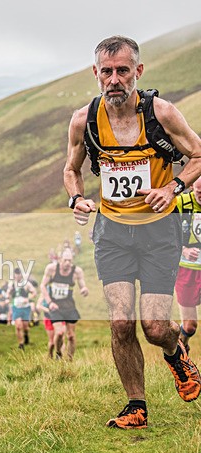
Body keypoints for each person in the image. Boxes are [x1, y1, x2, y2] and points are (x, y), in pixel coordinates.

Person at [63, 36, 201, 429]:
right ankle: (135, 406)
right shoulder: (84, 119)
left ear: (138, 72)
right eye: (106, 71)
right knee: (120, 322)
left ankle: (176, 353)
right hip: (113, 234)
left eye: (123, 70)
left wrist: (172, 188)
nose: (114, 79)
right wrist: (77, 200)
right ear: (96, 74)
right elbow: (71, 169)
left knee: (155, 327)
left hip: (159, 232)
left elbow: (198, 154)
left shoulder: (161, 113)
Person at [40, 249, 89, 361]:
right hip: (55, 306)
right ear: (60, 259)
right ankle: (58, 353)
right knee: (60, 332)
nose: (68, 263)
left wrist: (84, 290)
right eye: (65, 260)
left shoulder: (77, 271)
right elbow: (42, 286)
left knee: (71, 336)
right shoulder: (51, 269)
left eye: (70, 261)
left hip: (69, 307)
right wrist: (49, 302)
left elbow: (83, 285)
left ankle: (70, 360)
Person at [176, 179, 201, 353]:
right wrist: (183, 249)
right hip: (186, 270)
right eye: (200, 192)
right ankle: (181, 350)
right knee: (190, 326)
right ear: (192, 186)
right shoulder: (180, 203)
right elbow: (162, 233)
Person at [8, 268, 38, 350]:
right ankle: (21, 344)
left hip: (25, 307)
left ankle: (26, 334)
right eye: (16, 274)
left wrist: (28, 299)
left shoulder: (26, 284)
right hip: (16, 307)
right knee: (18, 326)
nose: (17, 276)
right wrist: (8, 296)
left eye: (18, 274)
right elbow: (8, 294)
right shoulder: (12, 284)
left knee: (25, 326)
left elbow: (34, 293)